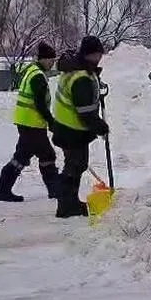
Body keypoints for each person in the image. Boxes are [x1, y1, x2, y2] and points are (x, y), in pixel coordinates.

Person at [49, 35, 110, 218]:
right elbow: (85, 111)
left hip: (67, 127)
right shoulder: (81, 77)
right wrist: (100, 127)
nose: (99, 58)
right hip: (72, 130)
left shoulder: (75, 70)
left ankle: (69, 202)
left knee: (76, 165)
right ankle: (66, 205)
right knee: (75, 166)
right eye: (96, 54)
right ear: (89, 54)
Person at [0, 41, 61, 202]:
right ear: (44, 59)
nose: (52, 64)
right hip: (32, 124)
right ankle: (54, 189)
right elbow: (39, 103)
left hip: (27, 123)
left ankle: (4, 190)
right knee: (44, 155)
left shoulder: (32, 70)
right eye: (51, 60)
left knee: (24, 157)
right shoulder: (37, 76)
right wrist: (51, 121)